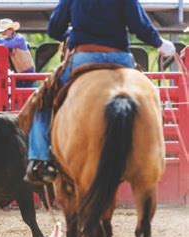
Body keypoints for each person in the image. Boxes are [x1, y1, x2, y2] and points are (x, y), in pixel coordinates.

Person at [25, 0, 177, 184]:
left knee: (43, 100)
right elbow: (140, 25)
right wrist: (159, 43)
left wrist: (70, 35)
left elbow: (54, 28)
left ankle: (41, 161)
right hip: (120, 57)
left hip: (83, 56)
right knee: (150, 97)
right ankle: (152, 154)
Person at [0, 18, 36, 88]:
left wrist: (0, 42)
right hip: (17, 74)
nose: (3, 33)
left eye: (5, 30)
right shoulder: (8, 40)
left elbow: (5, 44)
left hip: (27, 74)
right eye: (2, 31)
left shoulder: (20, 39)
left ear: (11, 30)